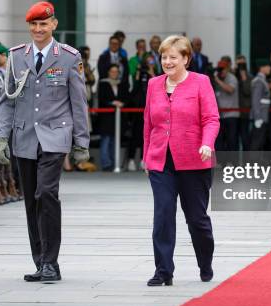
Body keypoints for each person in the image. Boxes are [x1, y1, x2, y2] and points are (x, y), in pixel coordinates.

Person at [0, 1, 90, 282]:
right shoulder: (16, 56)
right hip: (24, 137)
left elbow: (78, 102)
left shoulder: (69, 57)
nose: (38, 29)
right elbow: (7, 102)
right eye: (34, 25)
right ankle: (42, 262)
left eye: (43, 24)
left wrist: (81, 141)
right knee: (31, 202)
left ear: (54, 25)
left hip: (55, 136)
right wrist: (1, 136)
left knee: (46, 194)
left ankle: (50, 261)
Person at [143, 35, 220, 286]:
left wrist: (207, 143)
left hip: (194, 160)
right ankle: (163, 271)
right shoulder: (154, 84)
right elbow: (149, 123)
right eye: (164, 57)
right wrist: (147, 157)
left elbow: (211, 118)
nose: (167, 61)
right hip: (160, 160)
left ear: (186, 59)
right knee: (163, 214)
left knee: (196, 219)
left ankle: (205, 263)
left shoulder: (201, 82)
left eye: (173, 57)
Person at [97, 64, 127, 171]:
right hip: (106, 116)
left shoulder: (121, 84)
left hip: (118, 117)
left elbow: (126, 98)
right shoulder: (103, 83)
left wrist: (122, 103)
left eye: (116, 71)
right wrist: (112, 103)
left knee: (115, 140)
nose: (114, 73)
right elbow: (101, 99)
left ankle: (115, 163)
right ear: (108, 72)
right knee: (106, 139)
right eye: (112, 71)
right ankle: (106, 164)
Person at [213, 57, 239, 153]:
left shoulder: (232, 78)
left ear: (227, 69)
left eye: (223, 69)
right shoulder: (216, 79)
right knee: (220, 141)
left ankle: (233, 164)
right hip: (220, 116)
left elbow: (230, 89)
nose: (221, 72)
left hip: (232, 115)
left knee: (231, 140)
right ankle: (222, 163)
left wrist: (218, 81)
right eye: (219, 69)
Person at [250, 59, 271, 150]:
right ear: (262, 68)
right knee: (256, 142)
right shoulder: (259, 81)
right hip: (260, 117)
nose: (270, 68)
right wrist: (258, 117)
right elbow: (255, 100)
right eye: (267, 66)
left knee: (260, 141)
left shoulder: (262, 80)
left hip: (263, 116)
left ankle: (256, 162)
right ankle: (253, 163)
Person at [234, 54, 252, 151]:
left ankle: (246, 163)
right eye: (239, 64)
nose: (241, 67)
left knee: (245, 138)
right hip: (232, 112)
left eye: (243, 64)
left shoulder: (249, 77)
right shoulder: (232, 76)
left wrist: (244, 78)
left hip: (244, 112)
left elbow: (247, 91)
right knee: (233, 139)